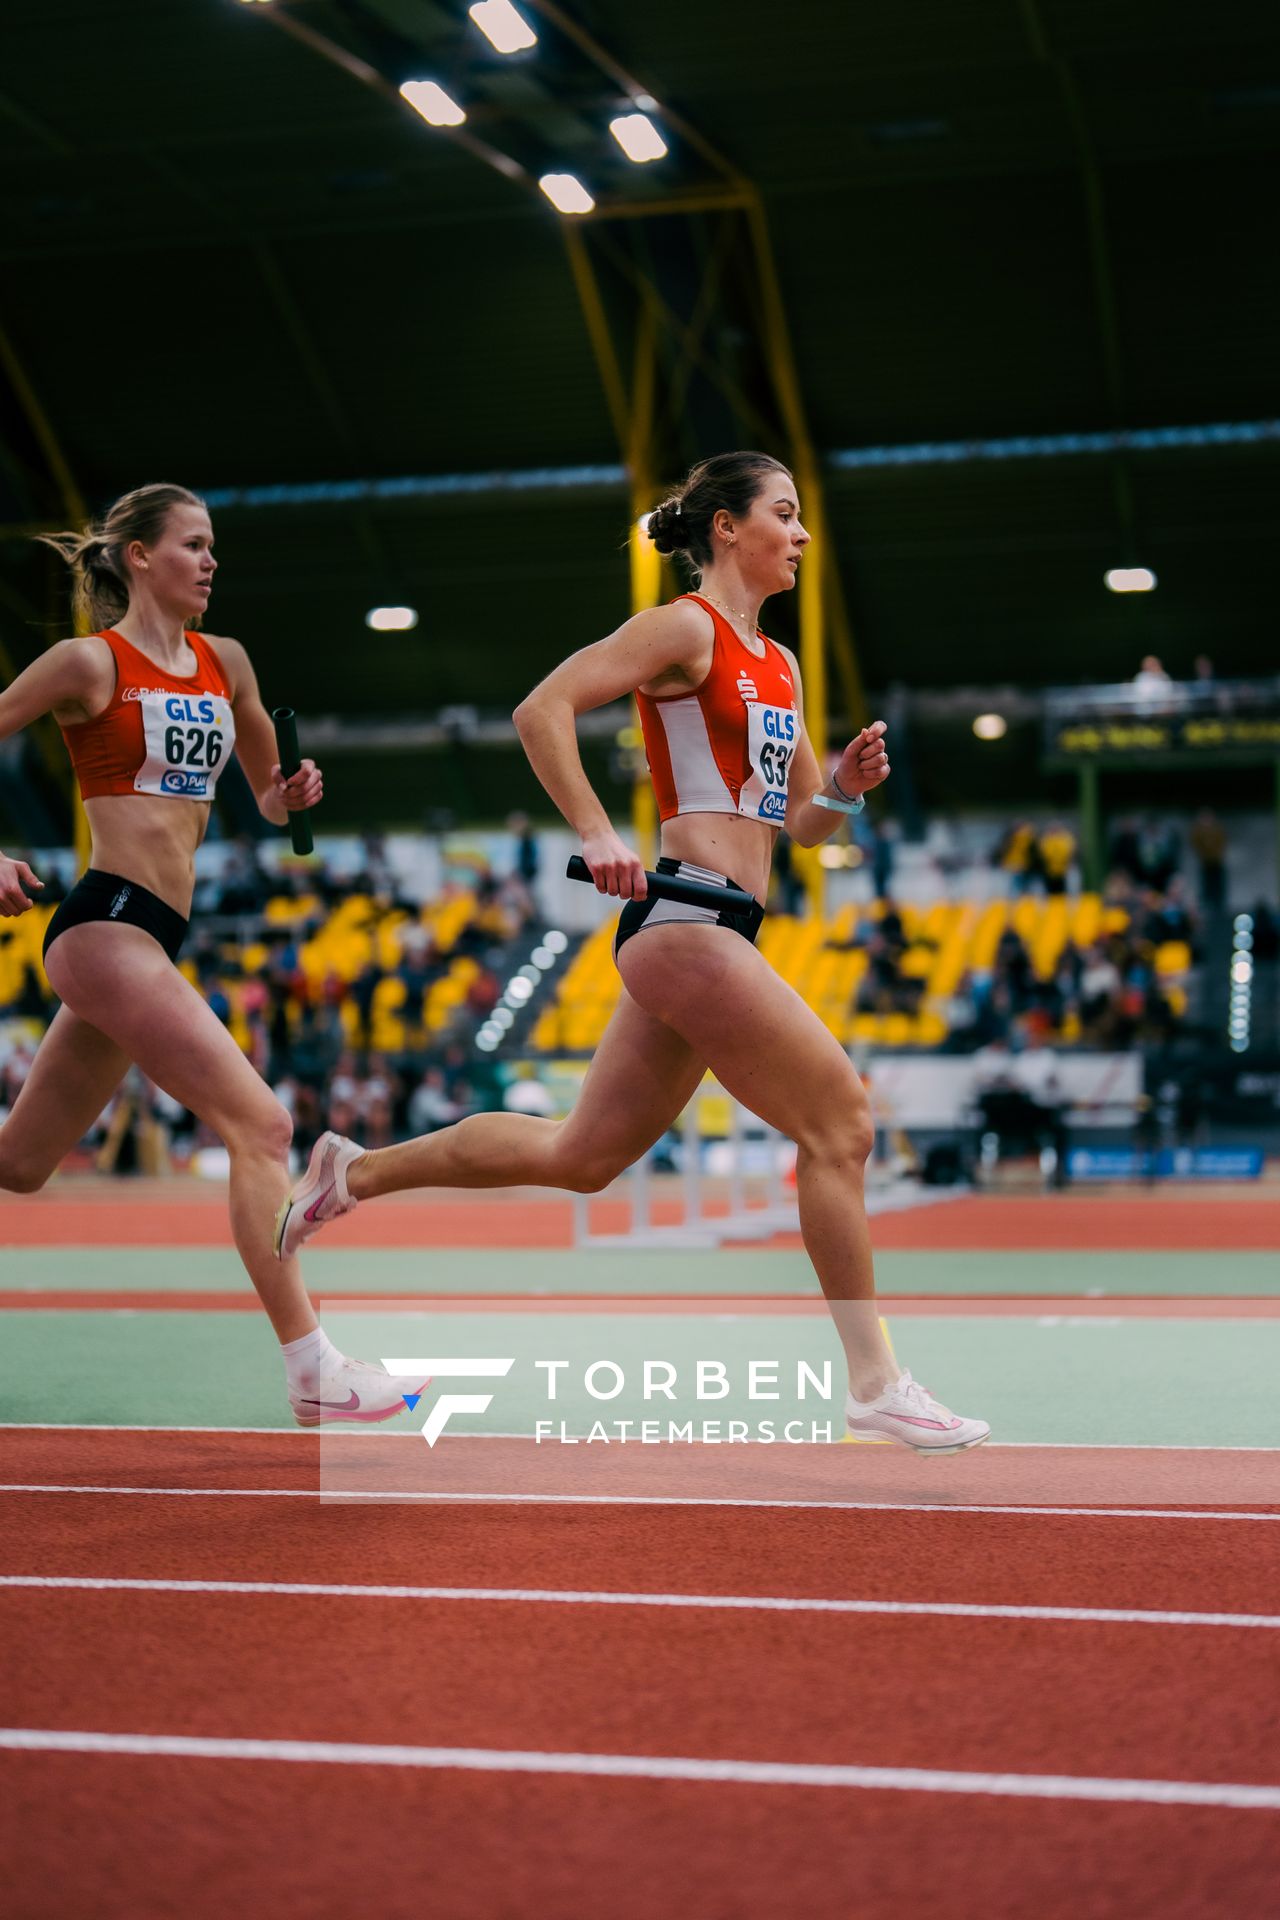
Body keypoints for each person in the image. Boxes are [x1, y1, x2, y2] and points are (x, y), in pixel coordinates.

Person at [277, 451, 988, 1453]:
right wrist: (595, 831)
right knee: (841, 1124)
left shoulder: (777, 663)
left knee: (580, 1156)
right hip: (683, 920)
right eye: (783, 514)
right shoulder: (681, 628)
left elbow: (800, 829)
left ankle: (353, 1172)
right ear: (727, 529)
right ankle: (874, 1380)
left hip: (724, 926)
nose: (801, 534)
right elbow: (541, 709)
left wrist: (844, 788)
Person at [0, 482, 424, 1424]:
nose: (211, 560)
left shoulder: (224, 663)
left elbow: (269, 797)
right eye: (193, 544)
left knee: (20, 1166)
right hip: (104, 922)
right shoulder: (86, 662)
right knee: (265, 1128)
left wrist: (292, 798)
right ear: (139, 557)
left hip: (155, 935)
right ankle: (313, 1369)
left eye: (214, 545)